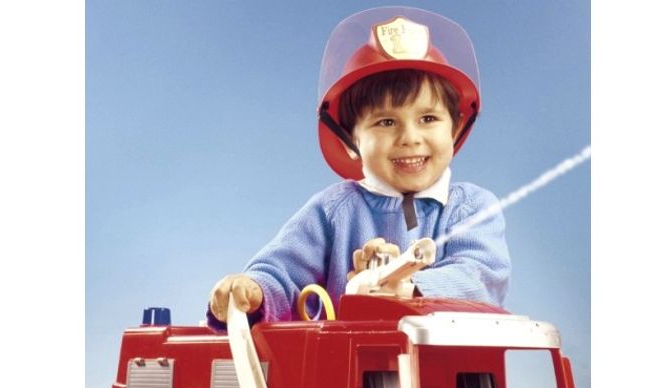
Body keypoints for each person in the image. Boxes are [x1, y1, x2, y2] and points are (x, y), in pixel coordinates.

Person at [208, 7, 509, 328]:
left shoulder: (471, 208)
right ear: (350, 139)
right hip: (345, 359)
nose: (410, 138)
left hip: (450, 361)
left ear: (456, 126)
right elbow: (282, 271)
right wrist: (253, 291)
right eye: (386, 122)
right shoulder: (332, 212)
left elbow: (481, 278)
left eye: (428, 118)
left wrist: (405, 287)